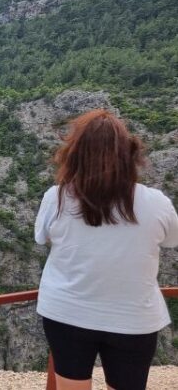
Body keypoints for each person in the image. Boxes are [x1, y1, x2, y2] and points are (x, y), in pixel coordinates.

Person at [35, 109, 178, 390]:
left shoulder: (57, 198)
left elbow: (42, 237)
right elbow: (172, 239)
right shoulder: (156, 203)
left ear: (75, 153)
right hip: (133, 317)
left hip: (67, 312)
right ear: (128, 154)